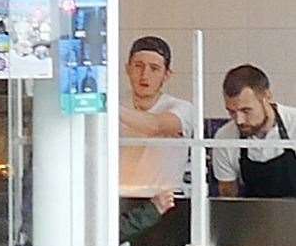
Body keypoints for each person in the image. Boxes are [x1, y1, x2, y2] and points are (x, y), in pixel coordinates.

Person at [120, 35, 196, 202]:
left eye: (154, 68)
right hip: (119, 199)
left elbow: (155, 126)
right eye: (138, 66)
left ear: (166, 74)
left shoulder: (182, 109)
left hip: (165, 203)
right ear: (128, 69)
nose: (144, 75)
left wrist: (108, 107)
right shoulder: (118, 105)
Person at [211, 64, 296, 198]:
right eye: (232, 112)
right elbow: (228, 198)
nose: (239, 120)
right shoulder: (224, 138)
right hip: (252, 216)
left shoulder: (294, 124)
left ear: (267, 97)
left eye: (246, 110)